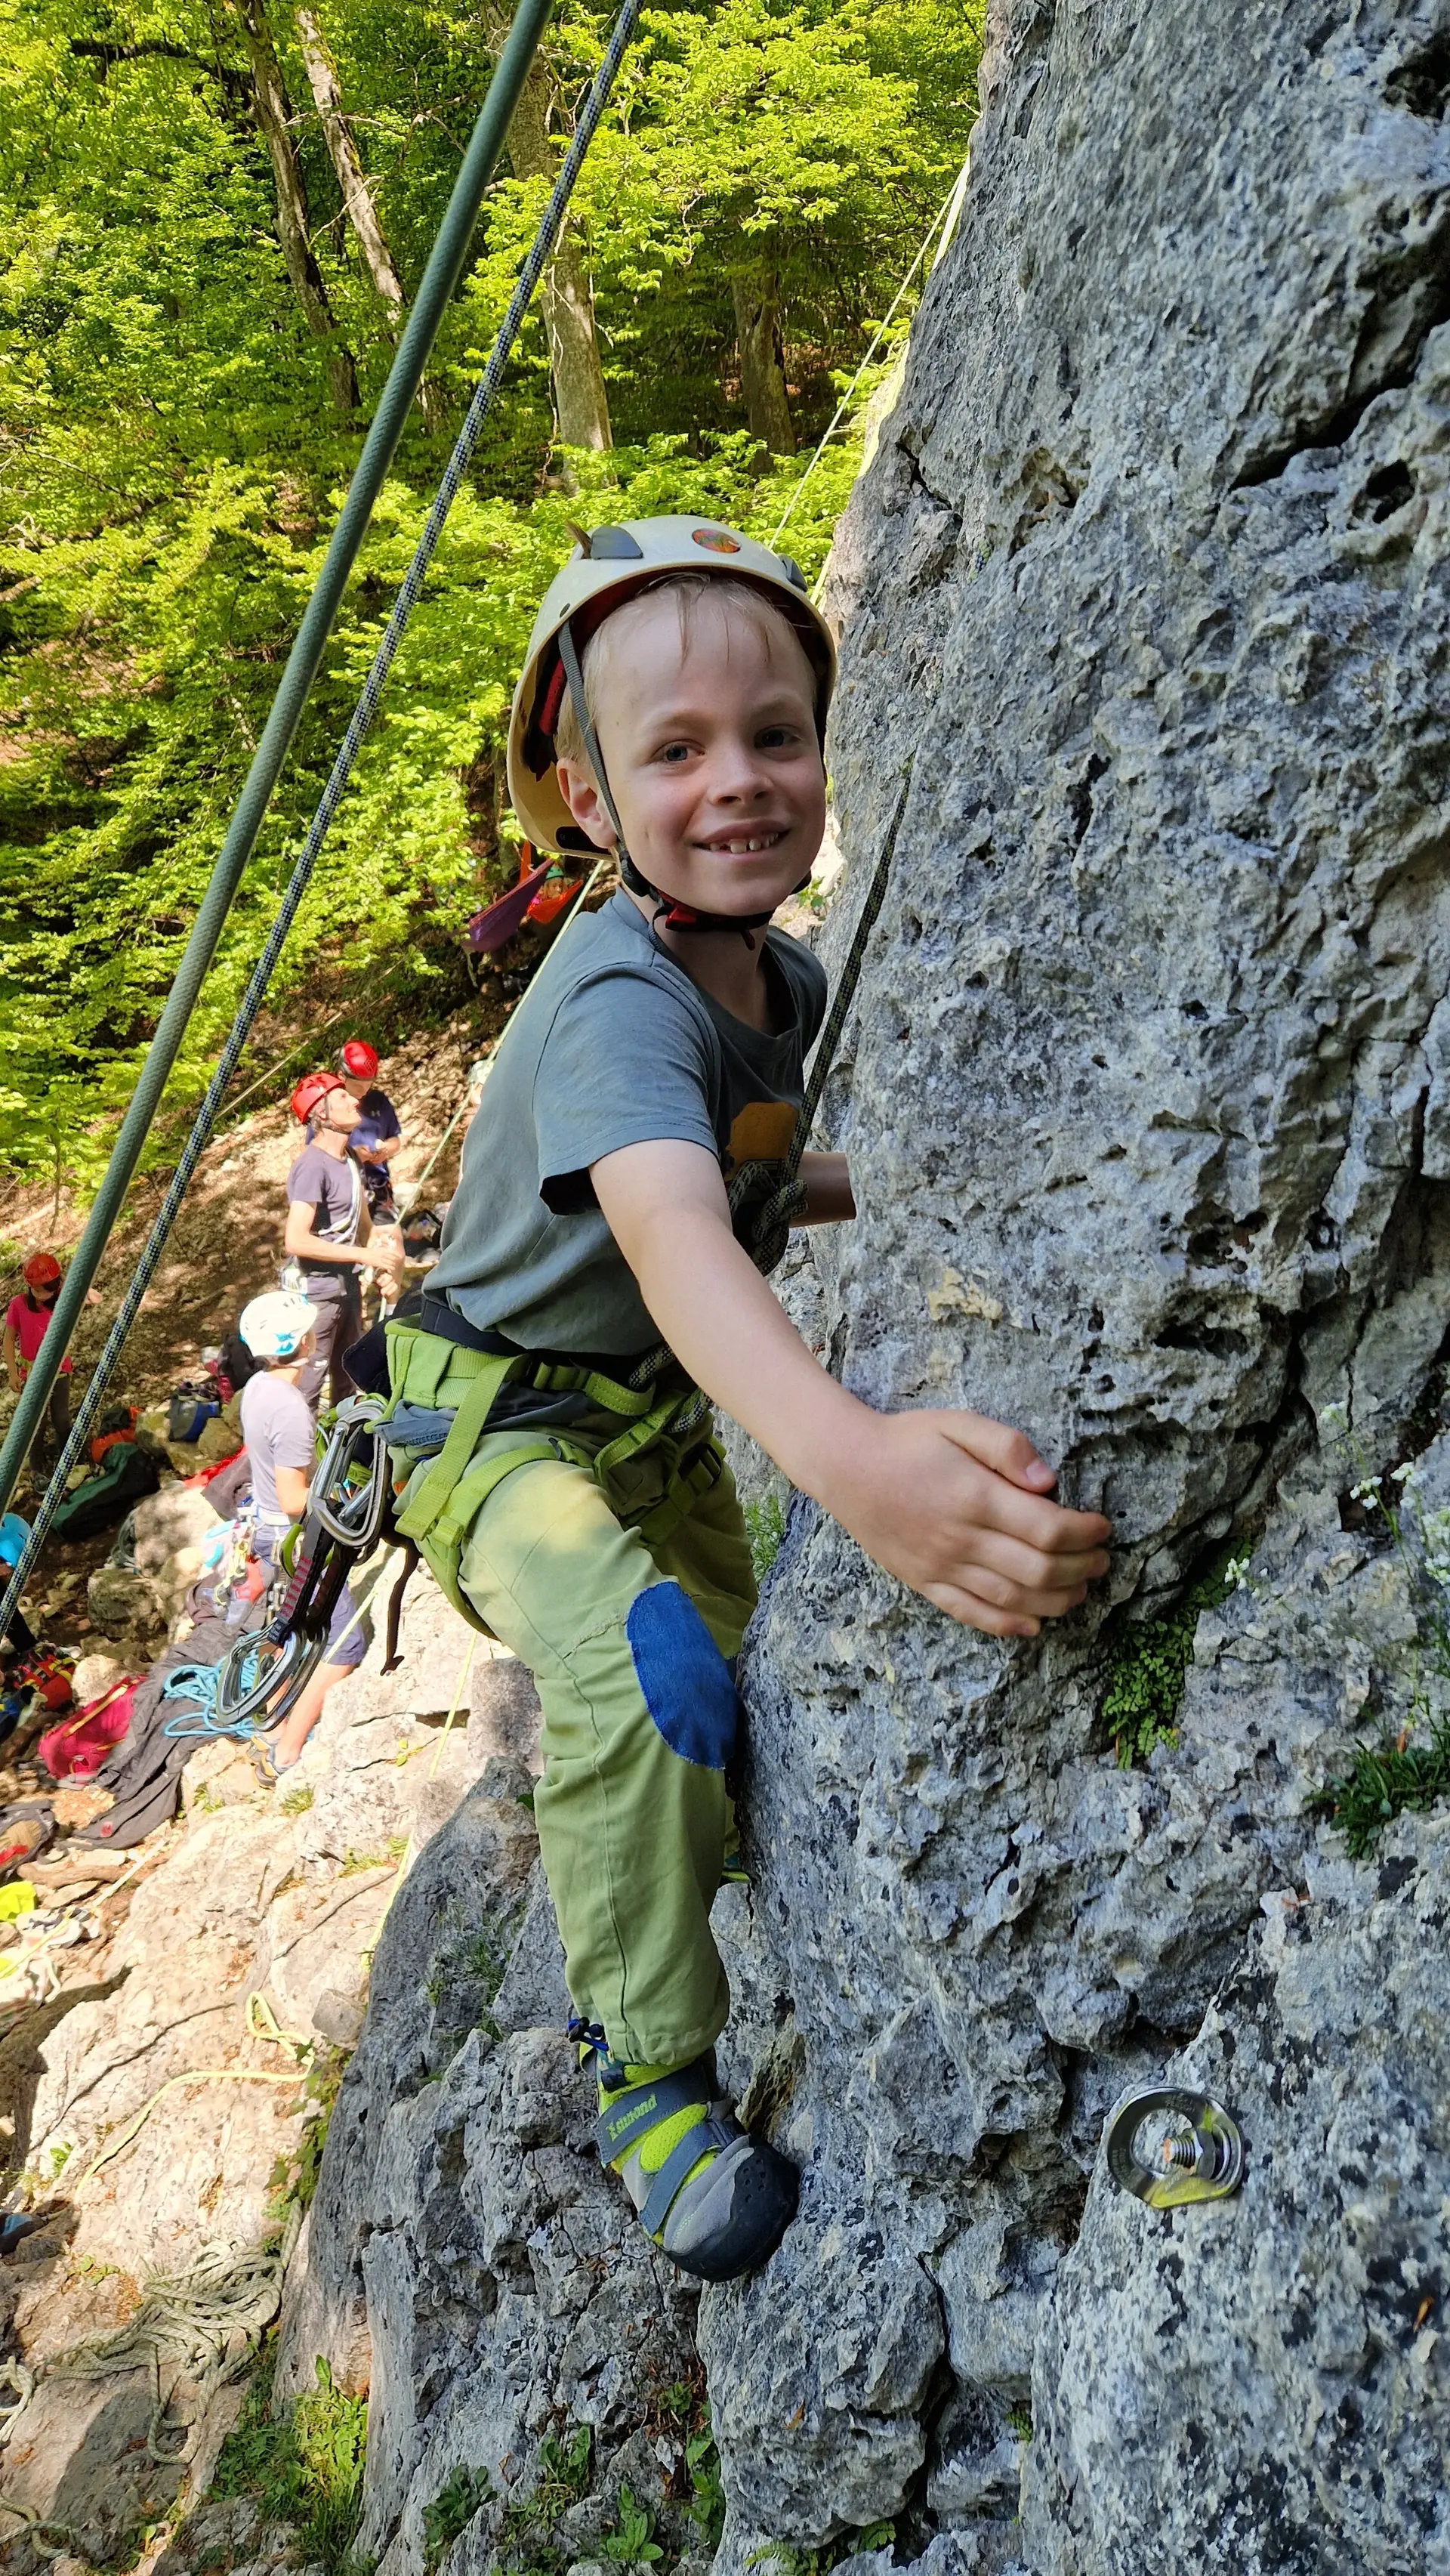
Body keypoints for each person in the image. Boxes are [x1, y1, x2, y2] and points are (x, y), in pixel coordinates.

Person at [384, 518, 1112, 2284]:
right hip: (503, 1432)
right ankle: (646, 2076)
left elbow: (758, 1179)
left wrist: (973, 1166)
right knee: (650, 1681)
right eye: (675, 751)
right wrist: (855, 1462)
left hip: (632, 1414)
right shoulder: (622, 1001)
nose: (740, 785)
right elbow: (673, 1228)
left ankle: (666, 1894)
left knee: (740, 1699)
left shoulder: (765, 974)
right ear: (583, 795)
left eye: (775, 734)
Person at [236, 1290, 368, 1780]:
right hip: (297, 1541)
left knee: (289, 1626)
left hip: (269, 1533)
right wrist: (343, 1489)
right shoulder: (290, 1408)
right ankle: (287, 1753)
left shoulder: (256, 1388)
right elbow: (296, 1498)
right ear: (306, 1341)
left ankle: (265, 1719)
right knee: (345, 1645)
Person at [284, 1072, 399, 1412]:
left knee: (349, 1379)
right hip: (317, 1295)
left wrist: (381, 1258)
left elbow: (363, 1225)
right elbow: (296, 1239)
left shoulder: (350, 1159)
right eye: (343, 1098)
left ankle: (341, 1458)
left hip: (347, 1287)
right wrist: (363, 1254)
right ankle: (300, 1463)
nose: (355, 1100)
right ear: (322, 1114)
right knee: (308, 1386)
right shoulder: (311, 1166)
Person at [5, 1253, 73, 1453]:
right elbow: (8, 1339)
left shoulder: (63, 1301)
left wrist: (67, 1284)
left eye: (45, 1291)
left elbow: (95, 1297)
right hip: (31, 1375)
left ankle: (66, 1460)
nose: (41, 1296)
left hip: (60, 1371)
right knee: (35, 1424)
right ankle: (36, 1471)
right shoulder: (19, 1305)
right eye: (36, 1291)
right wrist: (12, 1372)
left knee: (61, 1420)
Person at [338, 1039, 403, 1223]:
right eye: (358, 1087)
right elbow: (319, 1155)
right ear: (342, 1077)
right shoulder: (329, 1108)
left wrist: (387, 1149)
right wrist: (354, 1156)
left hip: (378, 1187)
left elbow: (395, 1138)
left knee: (388, 1243)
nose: (364, 1093)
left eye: (368, 1086)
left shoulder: (378, 1101)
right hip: (345, 1194)